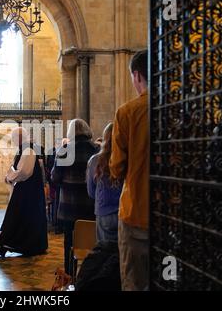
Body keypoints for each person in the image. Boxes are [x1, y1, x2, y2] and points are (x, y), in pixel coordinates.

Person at [110, 49, 149, 291]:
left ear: (136, 76)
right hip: (173, 215)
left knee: (134, 281)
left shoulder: (127, 112)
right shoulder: (180, 107)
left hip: (136, 211)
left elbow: (116, 167)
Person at [0, 127, 48, 257]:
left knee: (14, 217)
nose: (13, 141)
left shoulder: (28, 150)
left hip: (27, 191)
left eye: (14, 138)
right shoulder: (26, 149)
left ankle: (3, 245)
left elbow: (24, 171)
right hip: (27, 191)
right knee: (19, 219)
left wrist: (9, 177)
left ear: (19, 137)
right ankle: (3, 245)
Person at [51, 119, 99, 275]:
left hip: (68, 207)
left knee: (69, 243)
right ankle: (89, 276)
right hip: (90, 205)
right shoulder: (96, 149)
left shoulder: (64, 150)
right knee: (92, 242)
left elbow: (55, 177)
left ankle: (70, 275)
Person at [87, 123, 122, 243]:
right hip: (124, 211)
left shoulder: (95, 160)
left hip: (104, 210)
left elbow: (91, 191)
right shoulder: (128, 158)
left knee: (105, 252)